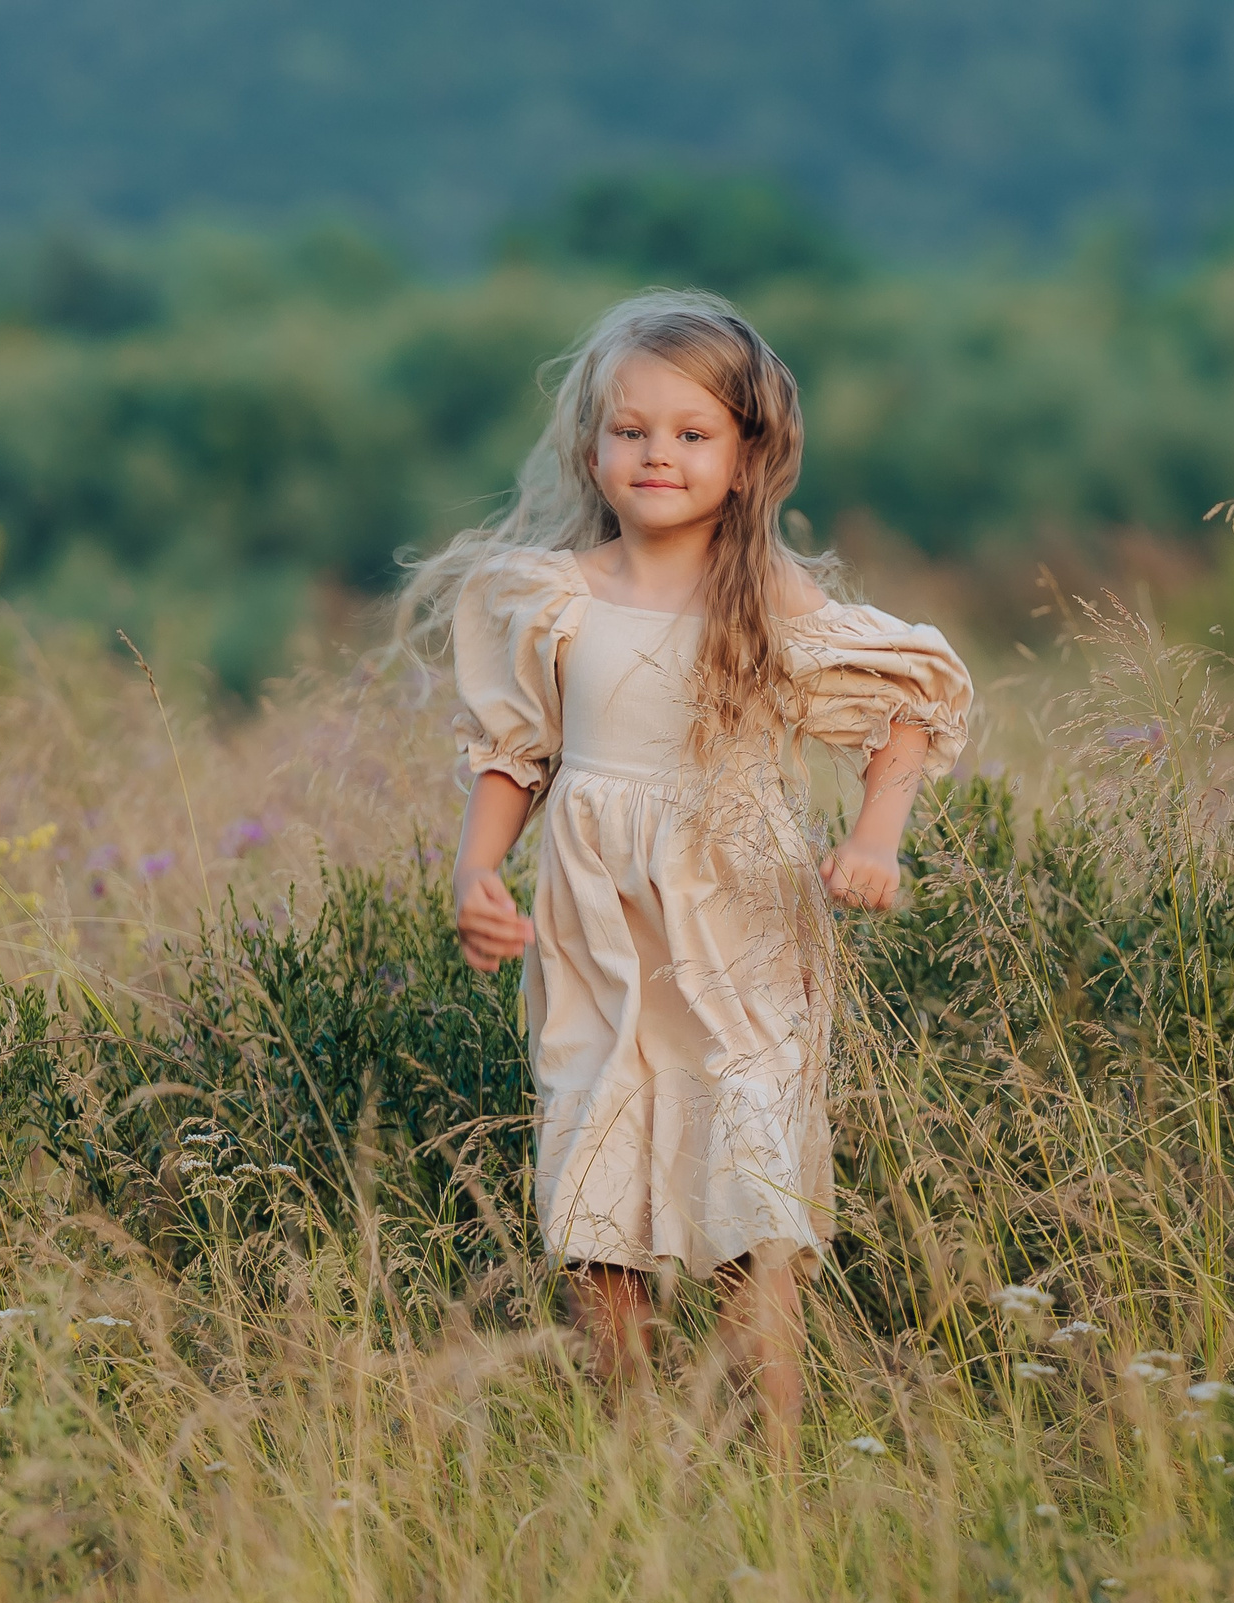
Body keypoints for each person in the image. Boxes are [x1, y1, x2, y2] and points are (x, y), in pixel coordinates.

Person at [401, 290, 972, 1454]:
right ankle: (634, 1455)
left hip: (739, 920)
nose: (656, 454)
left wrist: (874, 842)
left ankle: (768, 1462)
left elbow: (907, 702)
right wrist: (476, 878)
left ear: (748, 453)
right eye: (630, 431)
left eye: (690, 433)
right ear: (592, 446)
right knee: (600, 1173)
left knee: (749, 1184)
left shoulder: (765, 598)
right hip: (596, 925)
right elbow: (515, 753)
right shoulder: (553, 597)